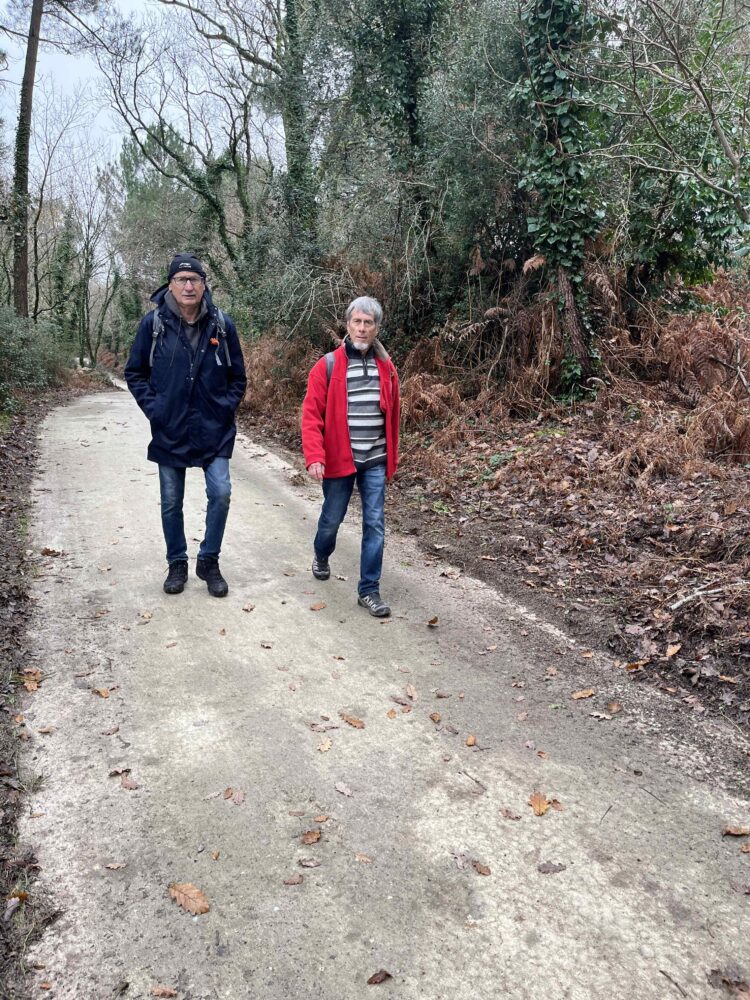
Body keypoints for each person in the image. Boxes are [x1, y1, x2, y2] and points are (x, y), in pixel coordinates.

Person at [124, 253, 247, 597]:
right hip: (170, 427)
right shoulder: (153, 324)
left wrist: (224, 408)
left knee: (221, 493)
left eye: (195, 279)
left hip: (214, 428)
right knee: (170, 501)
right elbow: (135, 372)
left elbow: (238, 376)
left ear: (204, 284)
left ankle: (209, 560)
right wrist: (156, 409)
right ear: (171, 285)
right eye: (181, 280)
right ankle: (177, 562)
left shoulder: (222, 324)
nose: (188, 286)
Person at [301, 296, 400, 617]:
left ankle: (369, 590)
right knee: (332, 519)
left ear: (376, 328)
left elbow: (393, 415)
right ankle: (321, 553)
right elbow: (311, 415)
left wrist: (392, 458)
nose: (362, 328)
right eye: (357, 321)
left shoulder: (387, 368)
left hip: (375, 459)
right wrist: (315, 455)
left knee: (375, 524)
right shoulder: (327, 365)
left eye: (368, 323)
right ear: (347, 325)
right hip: (338, 458)